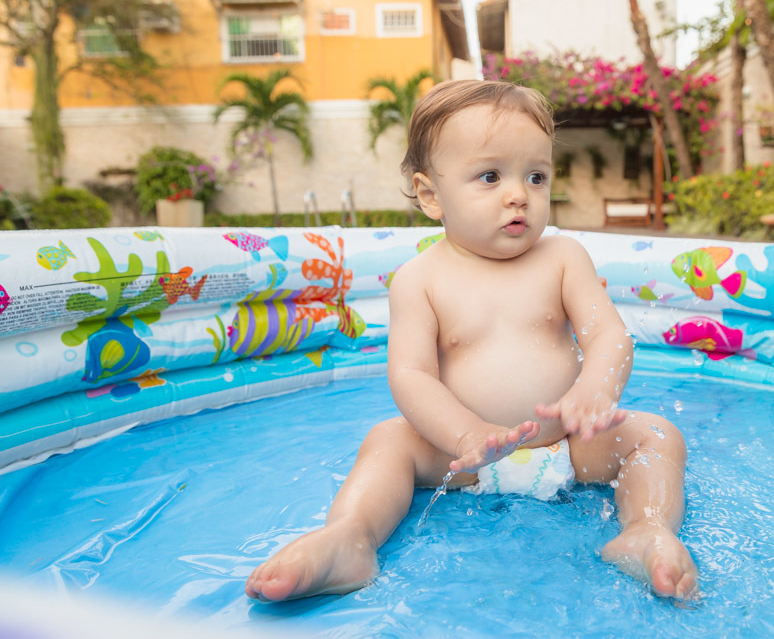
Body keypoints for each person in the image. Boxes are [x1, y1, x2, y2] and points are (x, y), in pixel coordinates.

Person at [245, 79, 699, 602]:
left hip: (566, 447)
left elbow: (609, 335)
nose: (518, 195)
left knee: (657, 435)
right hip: (461, 460)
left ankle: (646, 528)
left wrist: (595, 391)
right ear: (431, 195)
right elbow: (411, 375)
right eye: (490, 176)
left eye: (536, 176)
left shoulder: (563, 257)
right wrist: (464, 434)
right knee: (389, 441)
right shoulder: (419, 280)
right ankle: (350, 536)